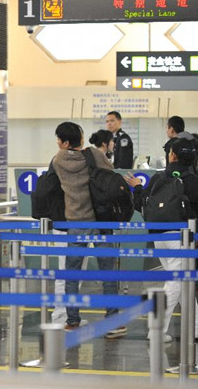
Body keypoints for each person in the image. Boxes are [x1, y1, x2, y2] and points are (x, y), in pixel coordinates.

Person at [52, 122, 125, 338]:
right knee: (108, 273)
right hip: (100, 220)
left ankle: (72, 321)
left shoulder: (58, 160)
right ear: (80, 139)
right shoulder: (93, 154)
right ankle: (113, 322)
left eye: (58, 139)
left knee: (72, 275)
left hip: (75, 222)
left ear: (64, 142)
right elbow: (110, 174)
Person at [125, 138, 198, 342]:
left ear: (172, 155)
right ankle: (156, 331)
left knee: (183, 283)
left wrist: (138, 187)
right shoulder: (193, 181)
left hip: (159, 237)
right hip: (182, 237)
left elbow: (142, 205)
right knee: (176, 281)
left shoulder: (158, 177)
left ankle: (196, 327)